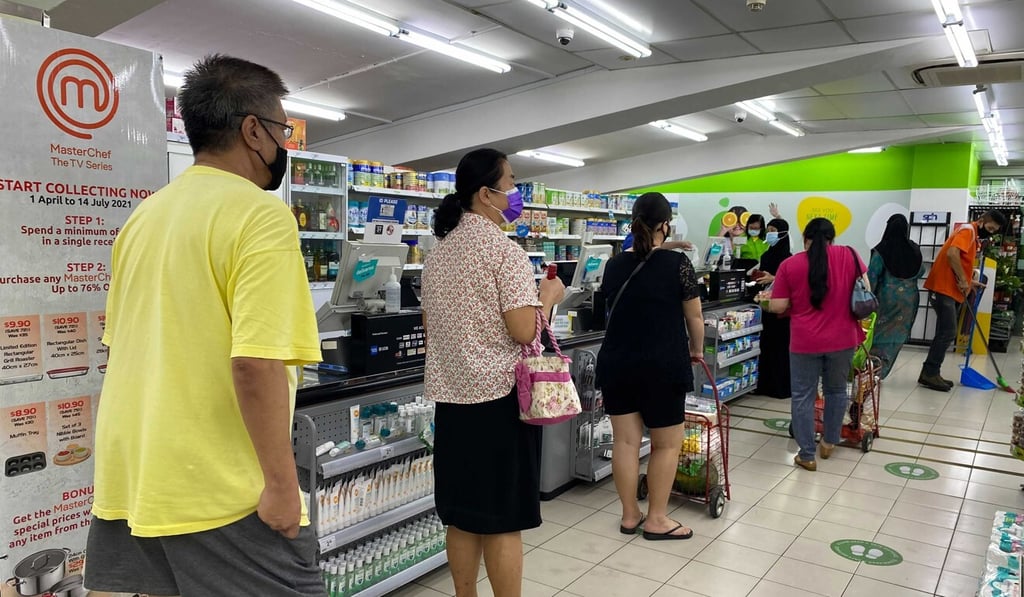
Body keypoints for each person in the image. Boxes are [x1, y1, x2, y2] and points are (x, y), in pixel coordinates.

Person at [85, 55, 326, 596]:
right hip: (220, 486)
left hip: (137, 477)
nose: (283, 145)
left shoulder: (145, 217)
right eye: (282, 130)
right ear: (253, 130)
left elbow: (127, 346)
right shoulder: (259, 215)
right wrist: (283, 487)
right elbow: (256, 362)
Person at [421, 148, 565, 597]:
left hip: (452, 400)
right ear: (487, 194)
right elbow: (524, 329)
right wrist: (548, 297)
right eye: (512, 183)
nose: (516, 194)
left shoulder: (437, 256)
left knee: (462, 514)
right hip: (501, 403)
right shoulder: (506, 253)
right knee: (503, 519)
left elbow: (432, 328)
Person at [597, 192, 704, 541]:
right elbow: (695, 316)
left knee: (625, 444)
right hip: (663, 364)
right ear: (665, 224)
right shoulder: (678, 265)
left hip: (618, 363)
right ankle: (657, 518)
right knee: (667, 444)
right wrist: (697, 351)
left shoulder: (613, 264)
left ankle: (630, 516)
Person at [769, 218, 867, 471]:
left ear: (805, 239)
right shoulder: (849, 255)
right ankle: (830, 441)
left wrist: (792, 302)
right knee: (836, 391)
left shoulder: (790, 264)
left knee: (803, 395)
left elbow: (778, 306)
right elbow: (865, 289)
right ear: (832, 239)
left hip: (805, 341)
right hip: (843, 338)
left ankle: (807, 454)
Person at [918, 210, 1008, 391]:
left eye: (994, 231)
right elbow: (952, 254)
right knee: (948, 332)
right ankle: (930, 373)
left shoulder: (973, 236)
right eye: (990, 228)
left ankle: (931, 372)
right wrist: (963, 279)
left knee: (944, 331)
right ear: (982, 220)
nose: (990, 233)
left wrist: (968, 280)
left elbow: (959, 261)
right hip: (943, 288)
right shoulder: (968, 230)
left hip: (950, 288)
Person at [868, 214, 924, 379]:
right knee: (897, 335)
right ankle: (882, 370)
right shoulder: (914, 249)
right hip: (909, 299)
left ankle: (873, 368)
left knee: (879, 333)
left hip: (886, 298)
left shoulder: (881, 250)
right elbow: (921, 272)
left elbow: (872, 276)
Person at [753, 218, 792, 398]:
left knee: (780, 349)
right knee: (765, 346)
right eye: (768, 229)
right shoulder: (766, 255)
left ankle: (781, 387)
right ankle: (763, 385)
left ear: (783, 233)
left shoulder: (790, 259)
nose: (769, 233)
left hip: (782, 311)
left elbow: (793, 283)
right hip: (766, 307)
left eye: (773, 230)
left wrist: (774, 278)